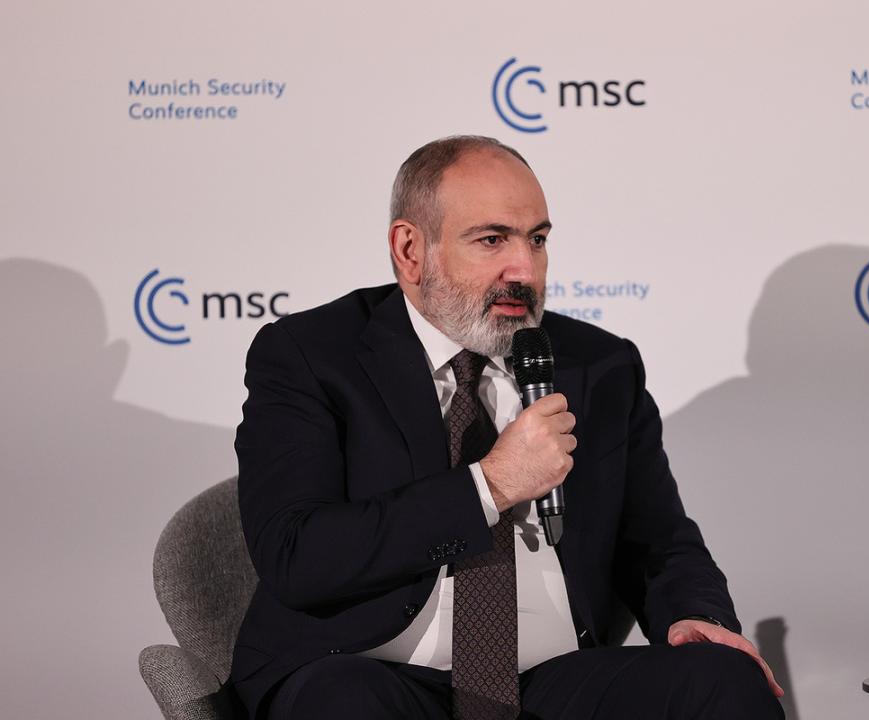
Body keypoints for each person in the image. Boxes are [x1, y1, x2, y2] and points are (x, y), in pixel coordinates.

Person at [230, 135, 784, 720]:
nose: (524, 269)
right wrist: (490, 485)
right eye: (492, 240)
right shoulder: (312, 355)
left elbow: (659, 539)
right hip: (368, 668)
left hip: (554, 681)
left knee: (723, 679)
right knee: (347, 705)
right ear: (410, 250)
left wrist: (695, 614)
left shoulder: (600, 365)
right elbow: (297, 554)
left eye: (537, 240)